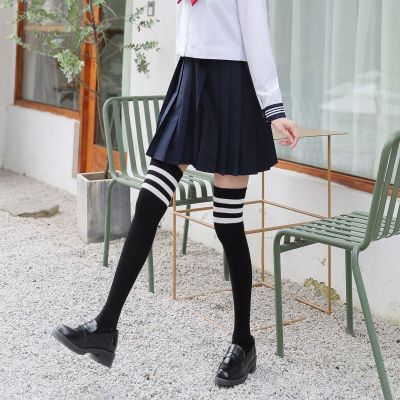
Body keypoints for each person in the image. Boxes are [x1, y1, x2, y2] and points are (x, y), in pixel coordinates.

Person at [52, 0, 299, 388]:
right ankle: (105, 326)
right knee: (149, 202)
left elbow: (257, 34)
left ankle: (243, 342)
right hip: (190, 77)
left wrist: (274, 108)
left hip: (232, 86)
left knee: (227, 224)